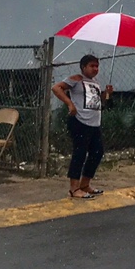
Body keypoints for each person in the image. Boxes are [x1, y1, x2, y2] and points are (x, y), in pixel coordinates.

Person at [52, 55, 112, 199]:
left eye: (97, 66)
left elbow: (98, 102)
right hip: (80, 121)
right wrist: (70, 103)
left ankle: (85, 183)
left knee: (97, 152)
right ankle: (74, 188)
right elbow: (56, 88)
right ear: (83, 67)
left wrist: (107, 94)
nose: (95, 69)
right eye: (92, 66)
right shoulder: (77, 79)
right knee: (79, 153)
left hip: (94, 123)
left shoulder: (95, 82)